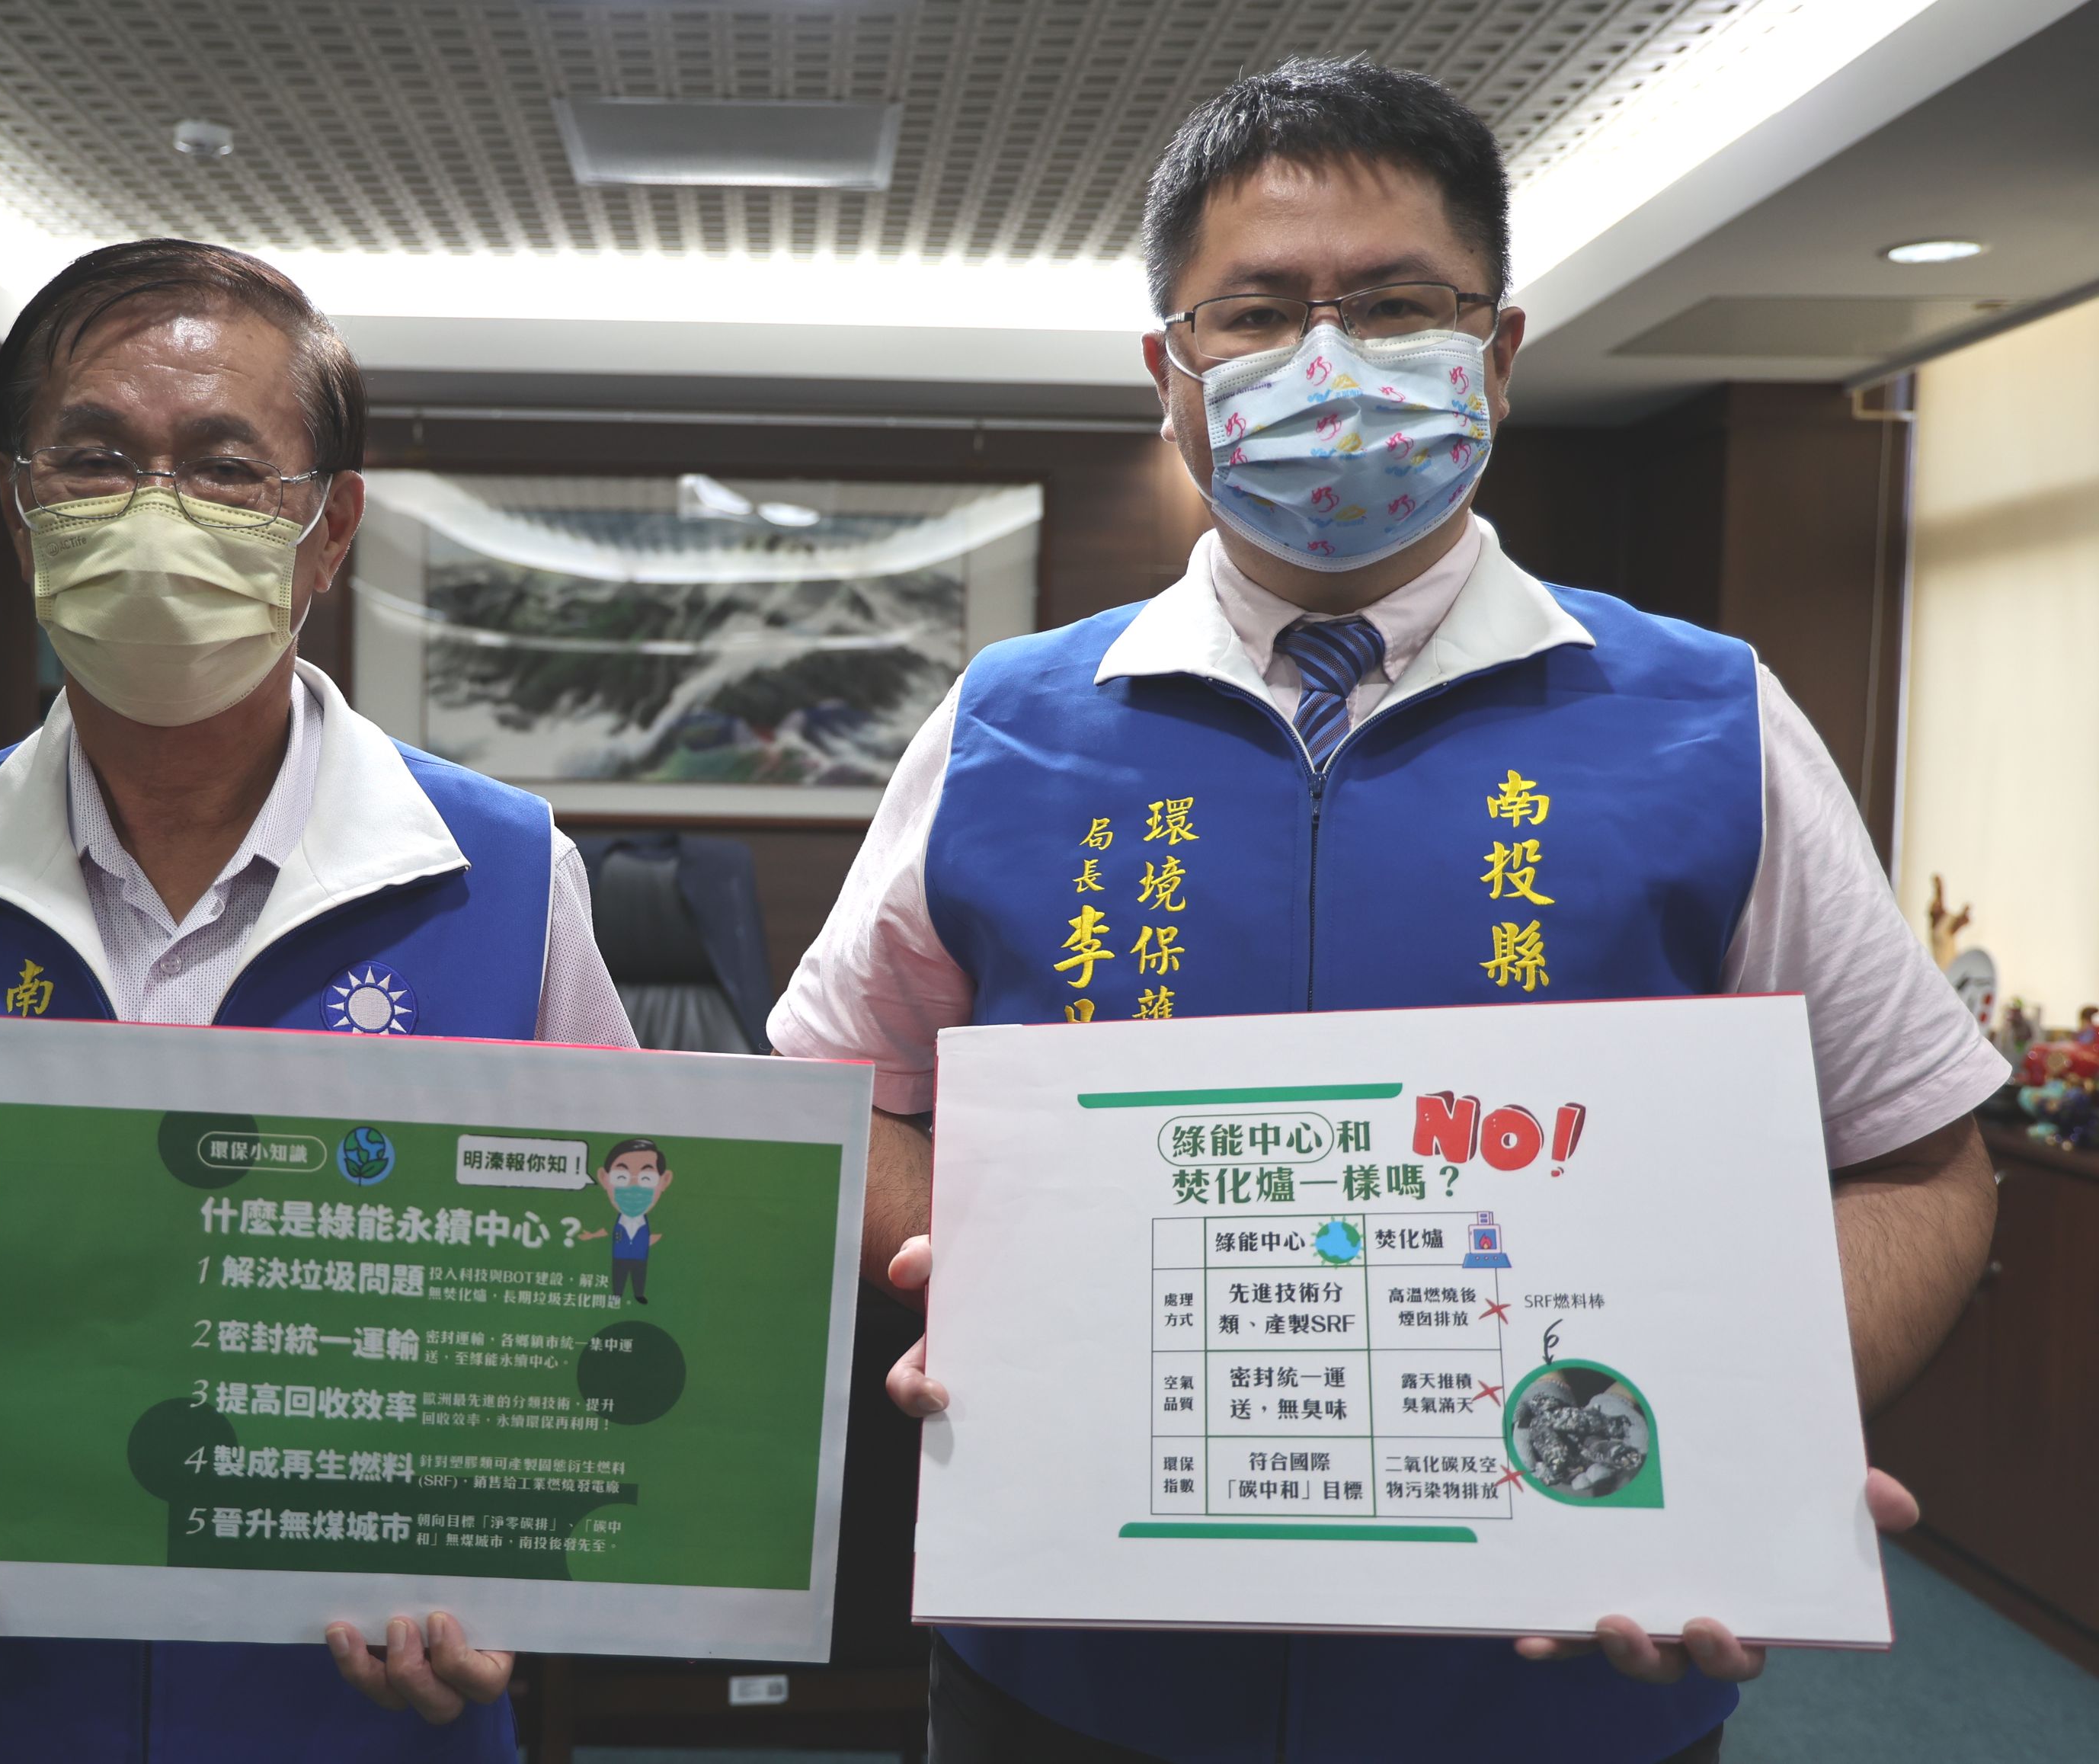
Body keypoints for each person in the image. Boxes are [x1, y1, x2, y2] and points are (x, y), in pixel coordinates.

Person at [766, 57, 2005, 1764]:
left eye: (1396, 305)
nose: (1327, 363)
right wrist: (1017, 1288)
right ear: (1170, 376)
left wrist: (1744, 1431)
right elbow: (838, 1087)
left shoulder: (1706, 713)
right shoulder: (1003, 719)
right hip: (1080, 1658)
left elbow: (1914, 1150)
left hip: (1557, 1664)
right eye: (1258, 314)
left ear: (1492, 356)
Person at [0, 239, 637, 1760]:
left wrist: (517, 1549)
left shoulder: (502, 873)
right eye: (94, 457)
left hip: (366, 1708)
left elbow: (616, 1281)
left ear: (327, 531)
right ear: (18, 503)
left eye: (223, 466)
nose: (151, 510)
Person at [576, 1137, 674, 1301]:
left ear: (664, 1181)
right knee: (619, 1275)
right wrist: (591, 1236)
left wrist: (652, 1240)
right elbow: (605, 1231)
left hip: (640, 1256)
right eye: (621, 1178)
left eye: (646, 1179)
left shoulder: (654, 1223)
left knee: (639, 1275)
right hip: (619, 1255)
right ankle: (617, 1295)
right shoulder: (612, 1220)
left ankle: (639, 1294)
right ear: (604, 1178)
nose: (633, 1187)